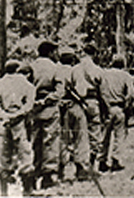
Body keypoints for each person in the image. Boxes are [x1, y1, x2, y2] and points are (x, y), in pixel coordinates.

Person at [0, 60, 35, 196]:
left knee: (3, 156)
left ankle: (4, 193)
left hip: (3, 123)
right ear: (18, 69)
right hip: (19, 123)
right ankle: (27, 191)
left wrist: (5, 116)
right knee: (25, 155)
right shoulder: (26, 84)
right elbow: (29, 105)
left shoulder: (0, 83)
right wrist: (16, 115)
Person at [98, 54, 134, 172]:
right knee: (119, 136)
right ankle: (115, 161)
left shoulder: (104, 74)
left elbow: (99, 91)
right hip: (119, 108)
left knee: (104, 136)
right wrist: (127, 105)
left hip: (106, 108)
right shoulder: (125, 75)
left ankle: (102, 161)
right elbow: (131, 94)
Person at [30, 41, 63, 189]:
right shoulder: (55, 68)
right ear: (50, 53)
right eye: (55, 52)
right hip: (49, 107)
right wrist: (47, 100)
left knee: (34, 141)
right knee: (50, 140)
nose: (57, 55)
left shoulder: (31, 66)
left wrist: (34, 101)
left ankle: (32, 172)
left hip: (33, 109)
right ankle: (47, 175)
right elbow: (60, 90)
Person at [57, 47, 91, 181]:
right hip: (74, 106)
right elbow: (82, 91)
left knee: (62, 138)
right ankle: (81, 168)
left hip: (60, 108)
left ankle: (60, 169)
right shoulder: (76, 71)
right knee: (80, 136)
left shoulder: (57, 70)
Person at [70, 43, 105, 170]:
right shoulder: (97, 69)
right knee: (94, 133)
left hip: (78, 103)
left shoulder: (74, 69)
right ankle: (90, 162)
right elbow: (102, 89)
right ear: (94, 54)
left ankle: (79, 165)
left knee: (79, 134)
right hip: (92, 101)